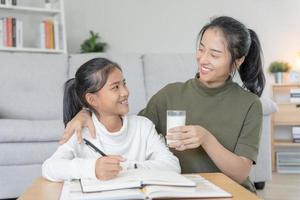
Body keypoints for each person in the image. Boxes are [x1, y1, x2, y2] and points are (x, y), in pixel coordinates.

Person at [59, 16, 265, 192]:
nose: (202, 59)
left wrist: (206, 138)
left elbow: (239, 174)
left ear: (237, 60)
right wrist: (86, 113)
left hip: (231, 192)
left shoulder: (249, 104)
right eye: (201, 49)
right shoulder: (170, 94)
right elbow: (127, 127)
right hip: (182, 191)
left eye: (214, 54)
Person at [42, 58, 180, 182]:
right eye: (115, 87)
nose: (125, 92)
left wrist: (128, 166)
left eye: (124, 84)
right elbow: (49, 168)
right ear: (92, 99)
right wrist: (93, 168)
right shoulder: (81, 132)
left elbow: (172, 166)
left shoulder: (143, 126)